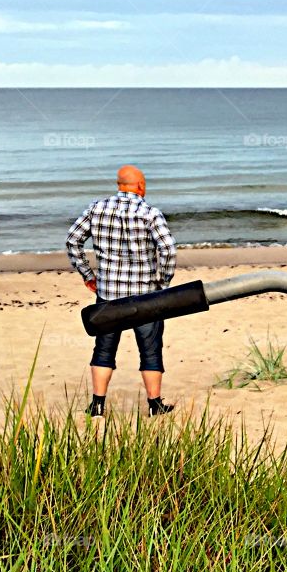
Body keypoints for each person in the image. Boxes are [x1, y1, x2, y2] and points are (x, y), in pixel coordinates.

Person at [66, 165, 176, 418]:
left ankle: (98, 405)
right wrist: (163, 281)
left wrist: (87, 274)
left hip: (108, 294)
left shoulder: (96, 208)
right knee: (150, 349)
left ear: (119, 184)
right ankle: (154, 405)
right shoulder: (150, 213)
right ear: (140, 186)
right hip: (146, 295)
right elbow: (168, 249)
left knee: (104, 349)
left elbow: (72, 240)